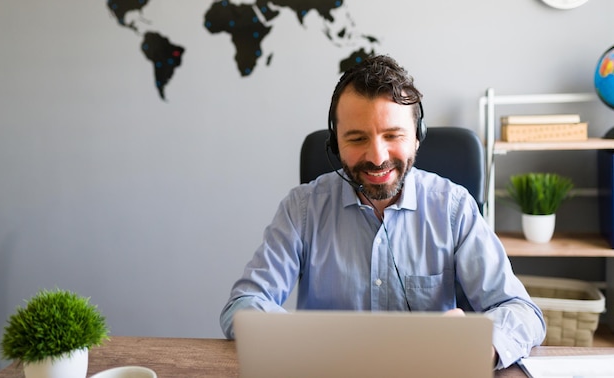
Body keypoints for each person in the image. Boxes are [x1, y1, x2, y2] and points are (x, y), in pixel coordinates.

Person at [220, 54, 546, 369]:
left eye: (393, 135)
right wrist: (300, 343)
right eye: (357, 138)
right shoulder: (302, 208)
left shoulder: (455, 208)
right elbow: (245, 304)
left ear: (417, 138)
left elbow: (520, 311)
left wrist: (480, 350)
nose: (377, 157)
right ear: (335, 144)